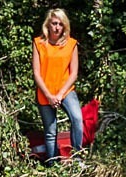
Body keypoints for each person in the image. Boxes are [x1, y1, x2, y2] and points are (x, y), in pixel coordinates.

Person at [33, 8, 84, 164]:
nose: (57, 27)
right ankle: (52, 165)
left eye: (60, 24)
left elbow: (74, 73)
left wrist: (60, 95)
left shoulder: (71, 44)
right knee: (50, 131)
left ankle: (77, 158)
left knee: (77, 119)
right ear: (48, 24)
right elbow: (36, 73)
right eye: (54, 23)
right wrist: (49, 96)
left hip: (65, 90)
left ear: (65, 26)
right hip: (45, 92)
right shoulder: (39, 43)